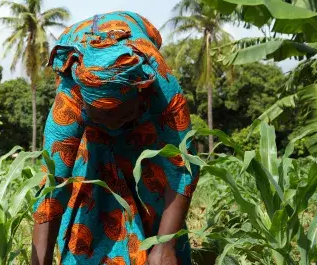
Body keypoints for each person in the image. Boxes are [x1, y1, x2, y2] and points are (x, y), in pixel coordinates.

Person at [31, 11, 200, 265]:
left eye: (121, 116)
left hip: (143, 130)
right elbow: (52, 187)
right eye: (103, 118)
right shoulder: (71, 97)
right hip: (93, 133)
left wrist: (165, 246)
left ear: (140, 94)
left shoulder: (159, 86)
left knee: (153, 188)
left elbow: (184, 165)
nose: (113, 127)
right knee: (89, 197)